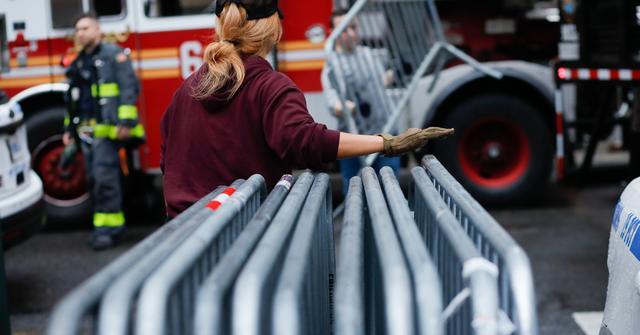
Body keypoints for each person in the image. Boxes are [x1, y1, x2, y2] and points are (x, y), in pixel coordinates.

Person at [160, 0, 453, 218]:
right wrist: (387, 143)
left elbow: (168, 161)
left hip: (186, 238)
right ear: (274, 31)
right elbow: (305, 142)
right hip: (242, 236)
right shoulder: (271, 86)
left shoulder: (184, 92)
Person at [62, 12, 144, 250]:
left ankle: (108, 230)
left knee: (104, 179)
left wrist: (126, 124)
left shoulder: (113, 56)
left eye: (85, 28)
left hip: (109, 133)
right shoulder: (78, 63)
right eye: (77, 29)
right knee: (94, 180)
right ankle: (106, 225)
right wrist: (69, 129)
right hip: (87, 134)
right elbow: (73, 101)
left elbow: (129, 88)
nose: (81, 33)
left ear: (98, 30)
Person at [321, 8, 401, 196]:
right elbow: (333, 103)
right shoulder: (332, 65)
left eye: (353, 27)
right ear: (332, 33)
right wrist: (346, 108)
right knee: (356, 197)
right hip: (353, 142)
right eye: (343, 29)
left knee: (391, 192)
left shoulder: (370, 55)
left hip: (386, 134)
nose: (350, 33)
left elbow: (382, 81)